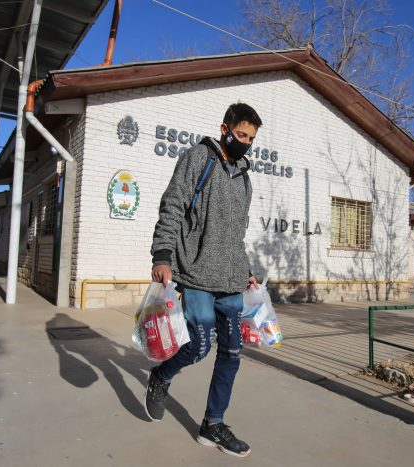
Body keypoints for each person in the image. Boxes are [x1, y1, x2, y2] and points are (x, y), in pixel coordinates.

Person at [145, 103, 262, 457]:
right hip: (195, 273)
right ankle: (161, 376)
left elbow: (237, 233)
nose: (246, 143)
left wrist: (246, 270)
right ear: (225, 128)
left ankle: (213, 425)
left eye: (251, 139)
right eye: (241, 135)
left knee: (232, 352)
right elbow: (173, 206)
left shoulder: (244, 176)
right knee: (197, 345)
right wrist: (162, 255)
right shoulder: (198, 157)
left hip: (231, 280)